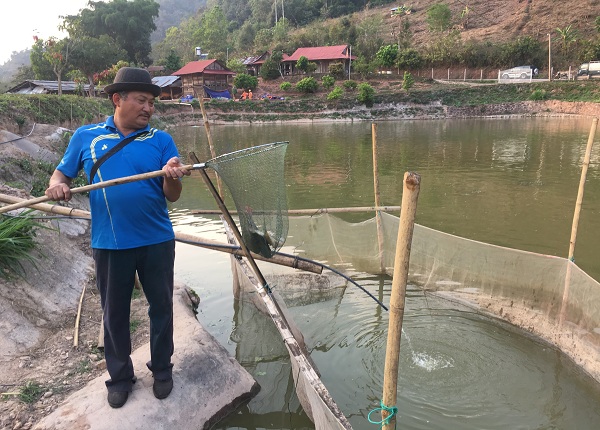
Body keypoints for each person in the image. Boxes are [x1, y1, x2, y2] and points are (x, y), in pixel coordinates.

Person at [45, 67, 190, 408]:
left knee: (161, 308)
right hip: (110, 243)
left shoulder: (160, 140)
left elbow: (173, 195)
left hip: (156, 241)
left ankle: (163, 368)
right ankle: (121, 377)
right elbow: (60, 175)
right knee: (114, 313)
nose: (149, 108)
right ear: (117, 99)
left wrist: (172, 175)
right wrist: (57, 186)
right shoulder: (87, 137)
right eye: (142, 100)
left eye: (152, 102)